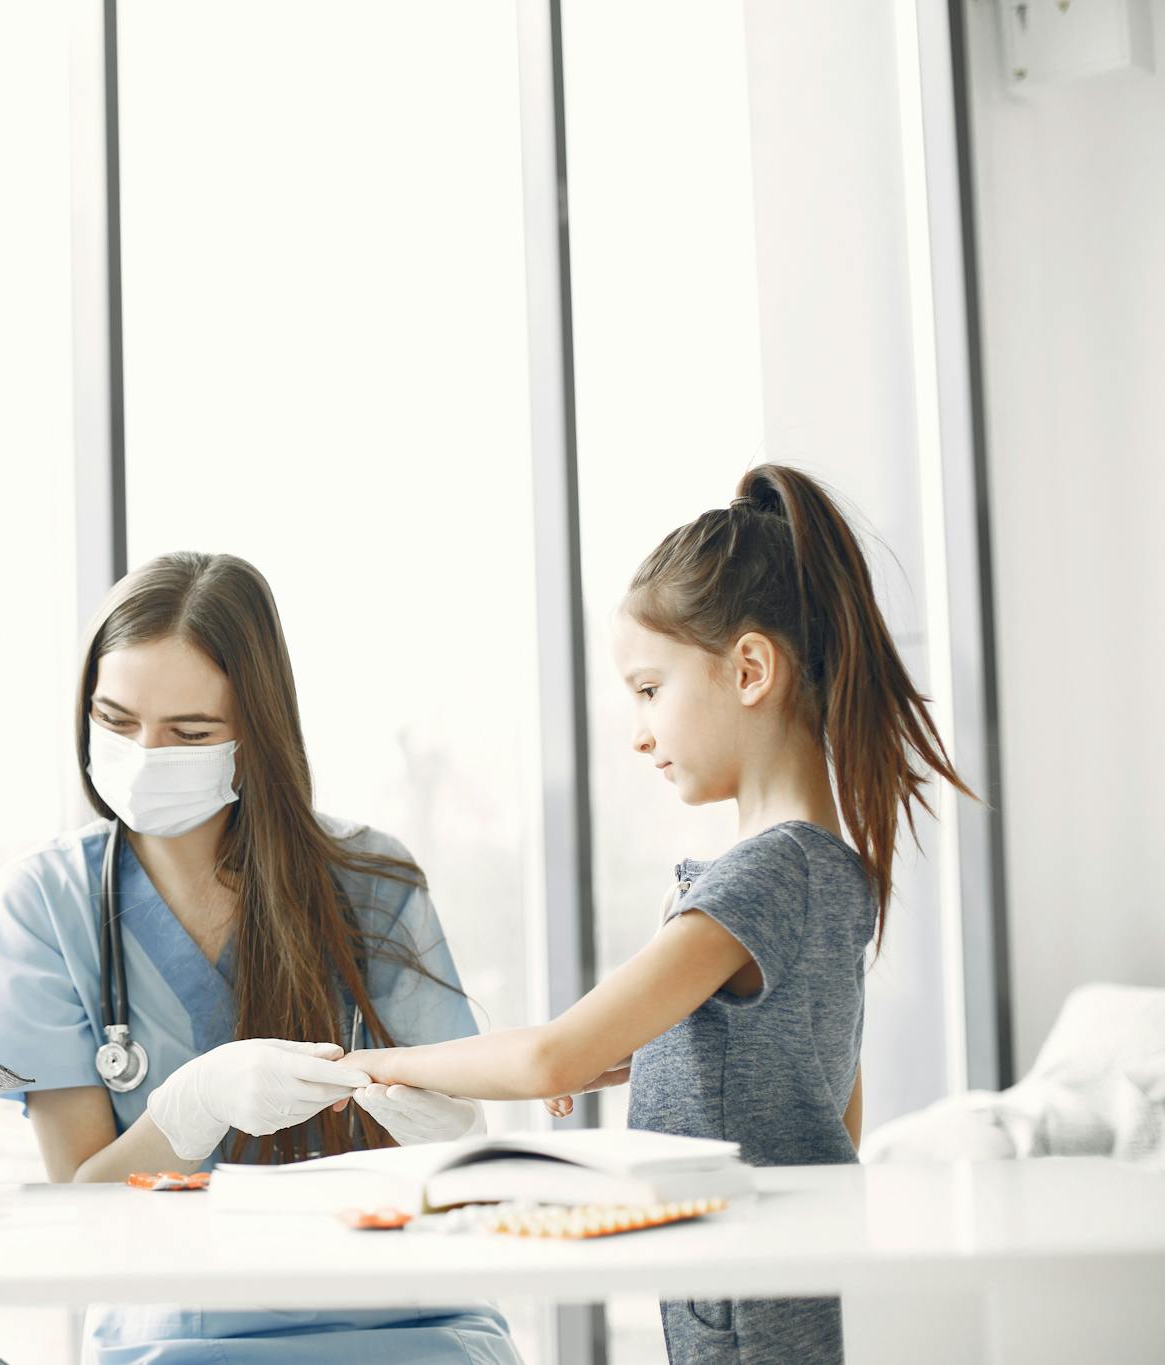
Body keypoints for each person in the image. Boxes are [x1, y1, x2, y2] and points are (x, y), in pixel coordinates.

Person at [344, 465, 976, 1365]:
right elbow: (824, 1093)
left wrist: (384, 1061)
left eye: (648, 690)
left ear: (750, 668)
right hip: (779, 1287)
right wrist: (639, 1061)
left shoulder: (761, 875)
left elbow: (547, 1055)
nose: (639, 731)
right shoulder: (830, 870)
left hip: (741, 1306)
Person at [0, 551, 521, 1364]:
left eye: (189, 732)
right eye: (115, 720)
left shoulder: (369, 882)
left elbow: (451, 1154)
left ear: (254, 731)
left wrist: (444, 1122)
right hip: (177, 1331)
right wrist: (189, 1107)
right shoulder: (44, 905)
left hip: (407, 1317)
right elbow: (81, 1208)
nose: (144, 753)